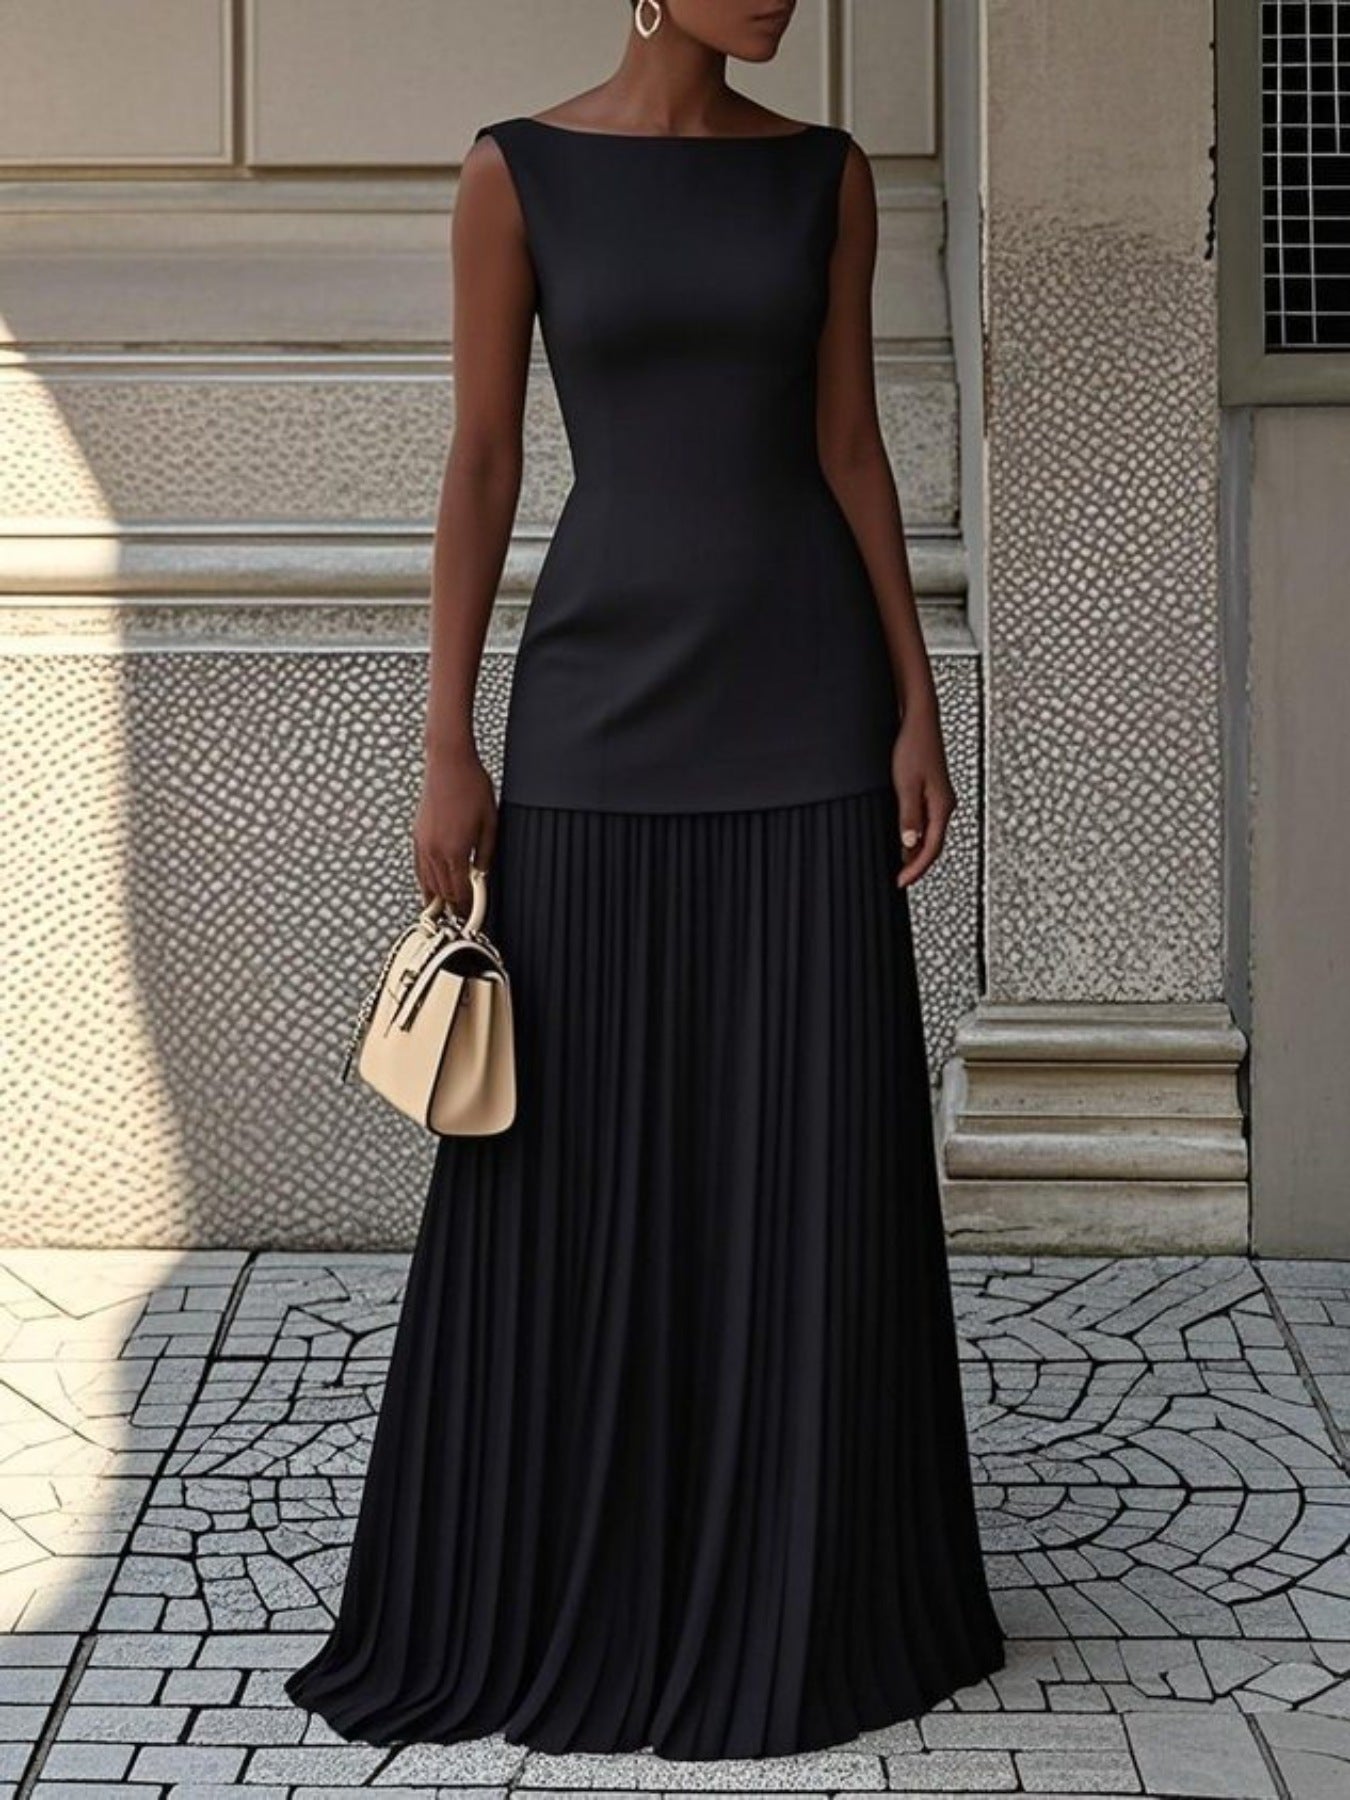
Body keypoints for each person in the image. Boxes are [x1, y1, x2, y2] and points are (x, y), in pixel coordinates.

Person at [285, 0, 1005, 1762]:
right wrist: (446, 739)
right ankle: (569, 1560)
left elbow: (850, 449)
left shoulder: (826, 179)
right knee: (567, 1145)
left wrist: (915, 704)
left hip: (806, 702)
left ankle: (802, 1572)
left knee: (809, 1138)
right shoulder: (513, 173)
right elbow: (480, 461)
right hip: (599, 703)